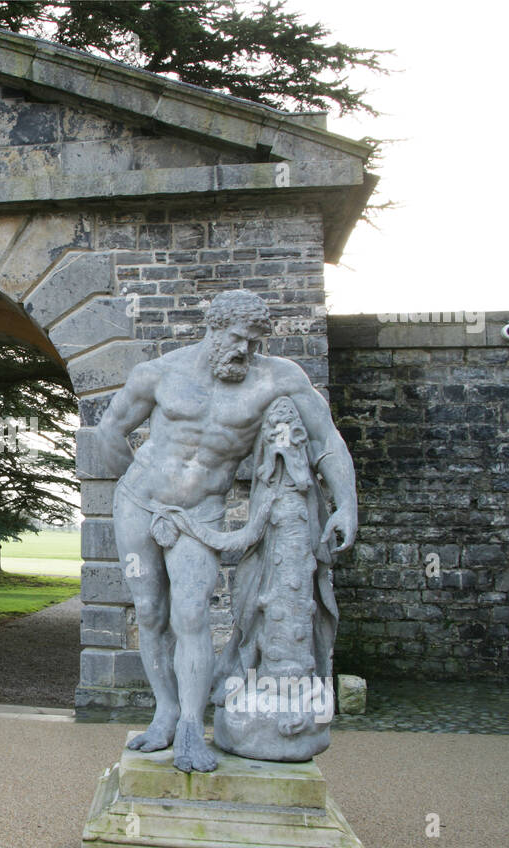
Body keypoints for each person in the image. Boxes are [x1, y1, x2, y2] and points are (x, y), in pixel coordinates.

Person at [93, 289, 357, 771]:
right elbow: (110, 430)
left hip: (201, 516)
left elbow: (326, 440)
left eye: (255, 343)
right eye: (238, 339)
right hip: (137, 503)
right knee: (150, 611)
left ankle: (192, 724)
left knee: (191, 612)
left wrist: (347, 506)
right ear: (213, 328)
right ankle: (166, 711)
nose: (246, 351)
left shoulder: (278, 378)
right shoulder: (160, 372)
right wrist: (142, 490)